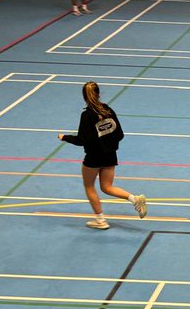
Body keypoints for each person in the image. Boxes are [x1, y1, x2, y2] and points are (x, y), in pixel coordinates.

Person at [58, 81, 147, 230]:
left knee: (89, 186)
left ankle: (100, 220)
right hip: (110, 155)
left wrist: (64, 137)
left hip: (93, 157)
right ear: (99, 94)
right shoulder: (108, 110)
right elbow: (120, 134)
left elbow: (82, 140)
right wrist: (108, 145)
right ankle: (134, 199)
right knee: (107, 187)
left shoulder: (87, 115)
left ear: (84, 97)